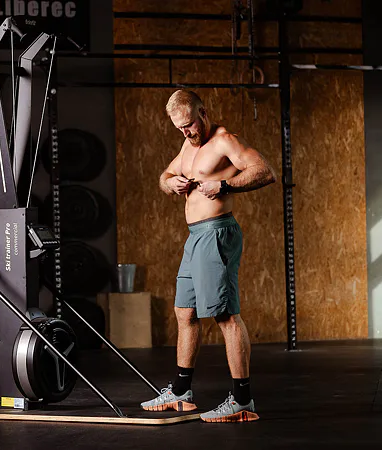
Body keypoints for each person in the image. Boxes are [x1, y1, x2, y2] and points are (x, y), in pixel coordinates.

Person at [140, 89, 277, 422]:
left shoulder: (224, 141)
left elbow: (265, 171)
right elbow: (164, 176)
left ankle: (242, 400)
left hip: (217, 234)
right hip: (195, 238)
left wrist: (225, 186)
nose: (187, 133)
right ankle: (181, 392)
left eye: (189, 124)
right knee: (185, 312)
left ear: (203, 112)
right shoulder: (188, 145)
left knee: (225, 316)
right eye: (179, 128)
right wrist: (170, 183)